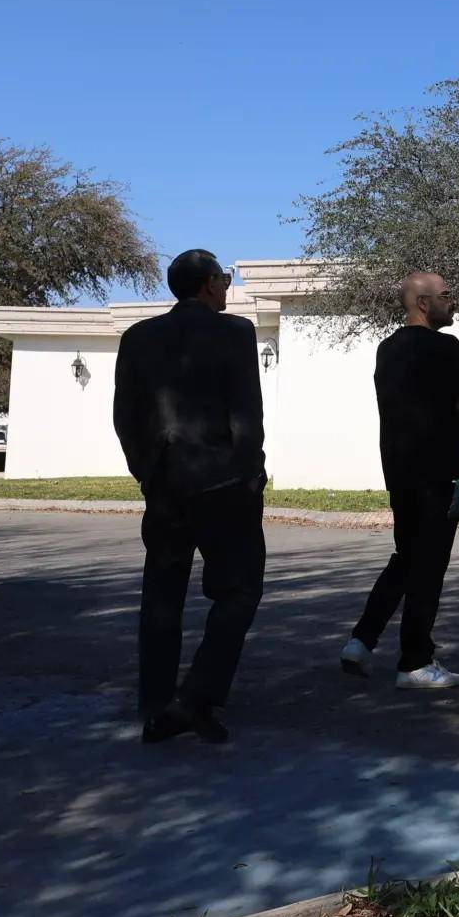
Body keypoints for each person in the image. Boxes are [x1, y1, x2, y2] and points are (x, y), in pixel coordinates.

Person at [113, 249, 266, 745]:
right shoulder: (236, 333)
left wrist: (145, 471)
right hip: (221, 481)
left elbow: (125, 415)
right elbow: (246, 412)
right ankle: (194, 698)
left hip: (164, 485)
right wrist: (252, 473)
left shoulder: (138, 337)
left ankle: (156, 702)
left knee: (162, 593)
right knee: (239, 590)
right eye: (222, 279)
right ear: (205, 286)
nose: (227, 286)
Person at [339, 272, 459, 689]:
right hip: (439, 469)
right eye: (446, 295)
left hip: (399, 471)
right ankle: (415, 660)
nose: (453, 303)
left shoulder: (387, 349)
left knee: (407, 556)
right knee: (429, 564)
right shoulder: (448, 348)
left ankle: (362, 640)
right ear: (422, 302)